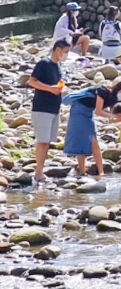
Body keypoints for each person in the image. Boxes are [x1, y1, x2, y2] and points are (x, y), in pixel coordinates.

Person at [63, 80, 121, 177]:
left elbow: (111, 118)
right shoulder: (103, 91)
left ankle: (101, 172)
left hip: (89, 112)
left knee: (94, 142)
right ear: (117, 89)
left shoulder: (114, 100)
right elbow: (99, 111)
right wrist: (112, 116)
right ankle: (82, 171)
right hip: (79, 109)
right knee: (81, 140)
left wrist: (119, 118)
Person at [28, 37, 69, 185]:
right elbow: (32, 81)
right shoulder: (43, 63)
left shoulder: (57, 67)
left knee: (47, 142)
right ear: (58, 50)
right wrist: (50, 89)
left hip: (53, 108)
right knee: (42, 140)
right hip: (42, 108)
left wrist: (58, 88)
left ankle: (41, 171)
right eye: (65, 51)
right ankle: (38, 173)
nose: (66, 55)